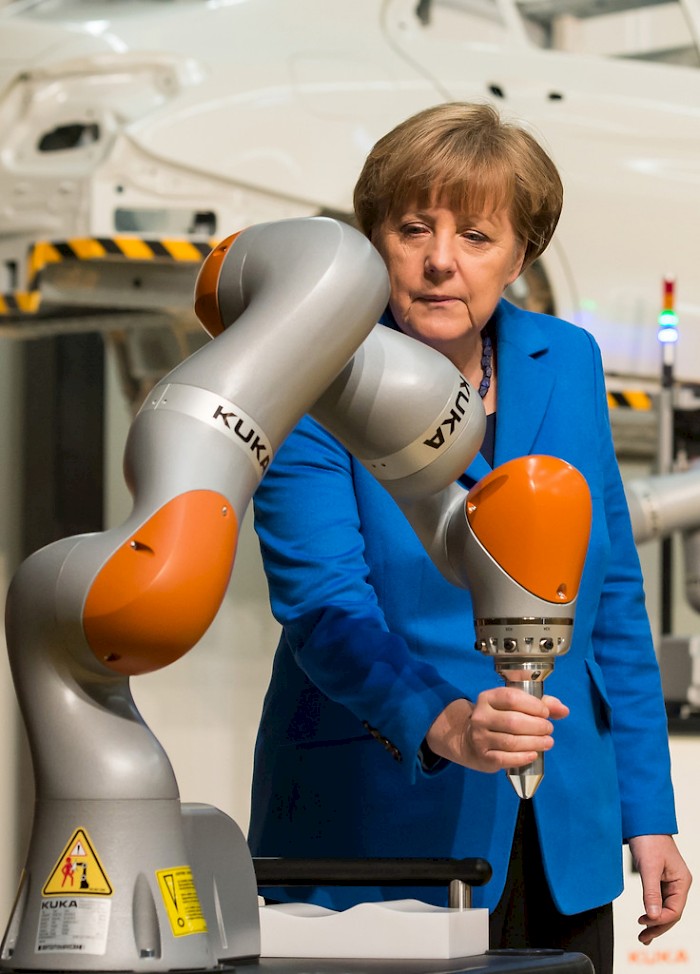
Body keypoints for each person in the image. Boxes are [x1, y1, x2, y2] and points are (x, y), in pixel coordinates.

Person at [248, 102, 691, 973]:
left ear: (521, 256)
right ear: (376, 238)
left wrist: (648, 811)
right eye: (414, 227)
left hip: (560, 827)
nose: (441, 259)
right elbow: (323, 607)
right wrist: (444, 724)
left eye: (478, 236)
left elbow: (612, 596)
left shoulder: (565, 358)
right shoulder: (314, 376)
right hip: (381, 821)